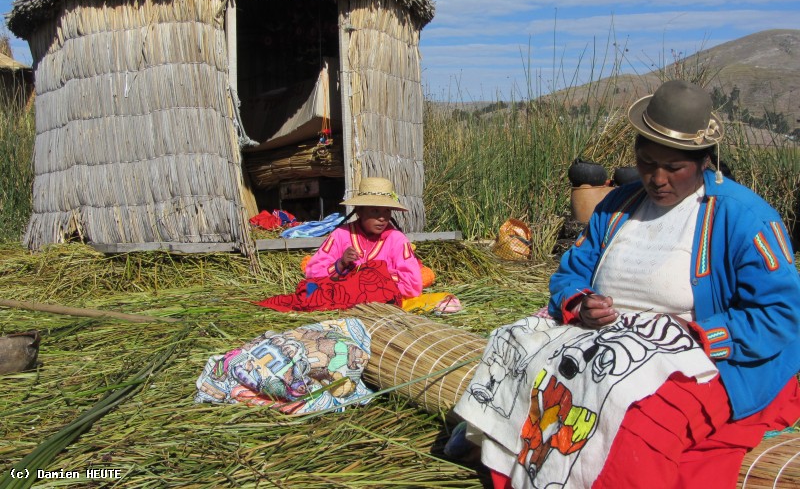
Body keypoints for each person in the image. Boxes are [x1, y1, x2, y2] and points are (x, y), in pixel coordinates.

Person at [452, 80, 800, 489]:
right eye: (647, 162)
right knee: (513, 346)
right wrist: (581, 304)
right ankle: (498, 448)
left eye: (674, 168)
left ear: (705, 161)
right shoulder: (617, 206)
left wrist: (700, 333)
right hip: (603, 337)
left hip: (700, 357)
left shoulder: (742, 217)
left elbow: (781, 314)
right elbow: (569, 273)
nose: (657, 178)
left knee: (626, 412)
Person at [256, 177, 422, 311]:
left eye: (387, 211)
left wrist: (373, 276)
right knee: (309, 290)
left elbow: (413, 283)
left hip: (379, 307)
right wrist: (341, 264)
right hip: (341, 298)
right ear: (359, 211)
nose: (382, 218)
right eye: (375, 211)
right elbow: (313, 272)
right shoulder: (341, 235)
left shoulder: (397, 240)